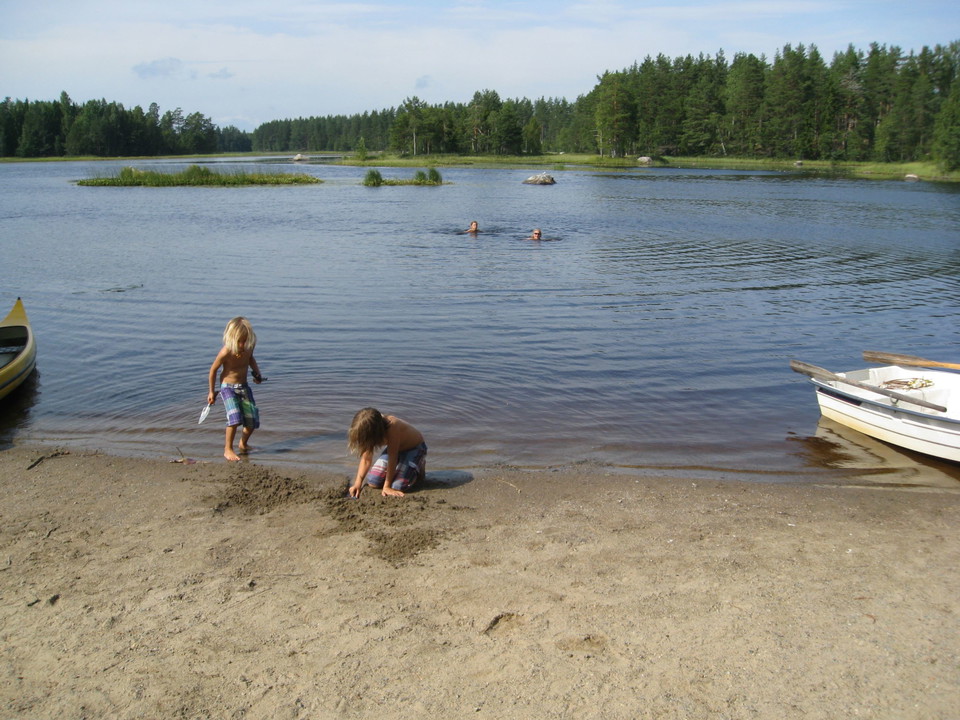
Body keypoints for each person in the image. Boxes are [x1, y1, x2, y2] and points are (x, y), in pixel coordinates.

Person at [207, 316, 263, 461]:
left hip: (244, 387)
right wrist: (211, 392)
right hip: (228, 388)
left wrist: (257, 373)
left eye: (245, 340)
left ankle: (243, 444)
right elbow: (213, 370)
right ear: (231, 338)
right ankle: (228, 449)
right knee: (235, 418)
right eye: (239, 341)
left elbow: (251, 359)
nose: (242, 344)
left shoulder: (249, 347)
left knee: (252, 420)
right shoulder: (226, 352)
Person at [348, 407, 427, 498]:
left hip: (415, 448)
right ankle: (401, 465)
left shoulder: (392, 426)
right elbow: (366, 460)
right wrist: (358, 483)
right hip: (396, 450)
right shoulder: (370, 431)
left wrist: (387, 486)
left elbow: (392, 458)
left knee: (398, 486)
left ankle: (419, 465)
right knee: (373, 482)